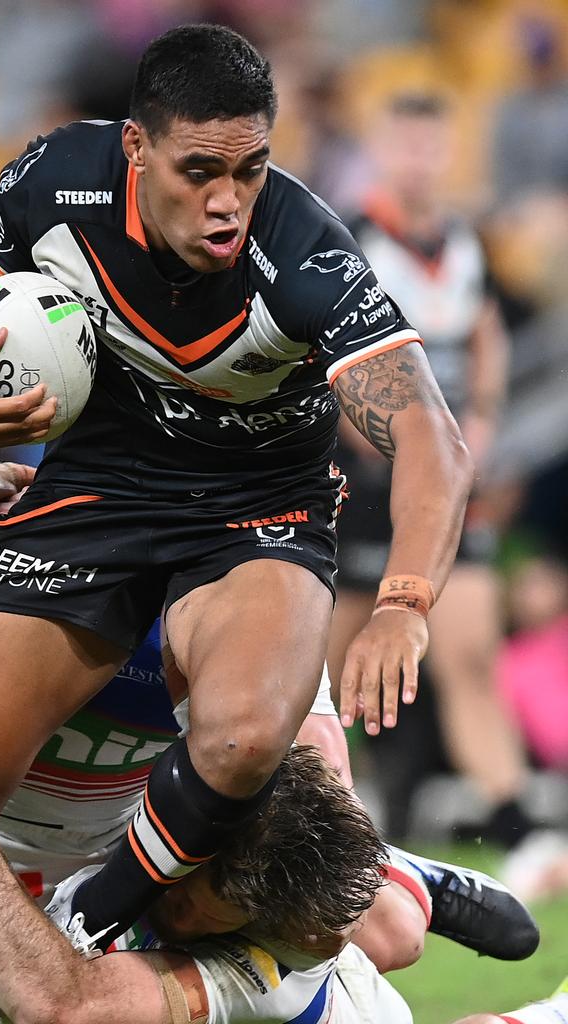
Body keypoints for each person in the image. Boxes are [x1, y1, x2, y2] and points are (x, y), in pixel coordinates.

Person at [0, 26, 473, 1023]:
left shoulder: (301, 252)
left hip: (257, 509)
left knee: (249, 743)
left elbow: (433, 439)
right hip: (101, 489)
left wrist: (405, 601)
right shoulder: (59, 182)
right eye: (200, 170)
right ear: (135, 150)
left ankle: (99, 921)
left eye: (251, 169)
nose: (227, 200)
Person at [0, 463, 536, 1020]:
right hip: (53, 835)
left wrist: (402, 606)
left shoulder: (251, 585)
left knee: (391, 933)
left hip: (169, 825)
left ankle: (380, 869)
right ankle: (402, 870)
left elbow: (63, 1005)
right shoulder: (55, 548)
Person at [0, 724, 553, 1024]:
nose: (195, 919)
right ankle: (395, 880)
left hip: (343, 1007)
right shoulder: (191, 783)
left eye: (223, 913)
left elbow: (62, 1005)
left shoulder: (266, 972)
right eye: (207, 891)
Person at [326, 91, 533, 844]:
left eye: (430, 144)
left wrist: (479, 411)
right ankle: (327, 807)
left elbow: (486, 329)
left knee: (469, 654)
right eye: (405, 144)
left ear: (448, 153)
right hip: (365, 483)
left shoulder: (467, 243)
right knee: (326, 667)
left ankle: (516, 825)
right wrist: (364, 430)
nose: (419, 159)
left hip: (443, 478)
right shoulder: (349, 239)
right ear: (382, 151)